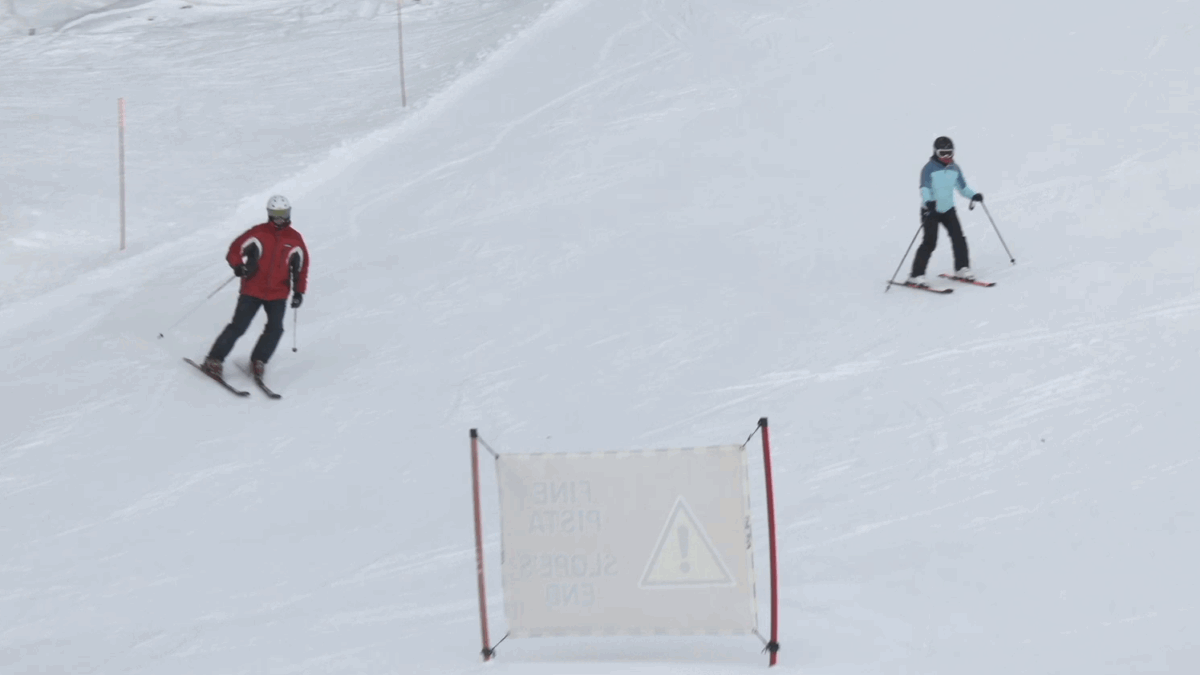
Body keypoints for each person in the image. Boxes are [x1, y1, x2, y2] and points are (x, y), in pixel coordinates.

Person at [201, 195, 309, 379]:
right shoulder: (259, 233)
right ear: (269, 214)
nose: (280, 218)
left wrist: (299, 291)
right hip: (252, 289)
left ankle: (259, 360)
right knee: (239, 326)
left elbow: (301, 268)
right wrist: (238, 266)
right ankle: (214, 360)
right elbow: (235, 249)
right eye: (276, 214)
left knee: (275, 329)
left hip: (278, 293)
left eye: (283, 214)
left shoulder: (295, 239)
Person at [907, 136, 984, 286]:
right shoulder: (929, 168)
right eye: (943, 153)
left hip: (948, 210)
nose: (947, 157)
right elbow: (925, 188)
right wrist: (928, 202)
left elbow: (962, 188)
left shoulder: (955, 168)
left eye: (950, 153)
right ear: (936, 152)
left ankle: (962, 268)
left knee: (958, 238)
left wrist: (973, 195)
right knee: (930, 242)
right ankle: (916, 275)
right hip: (930, 210)